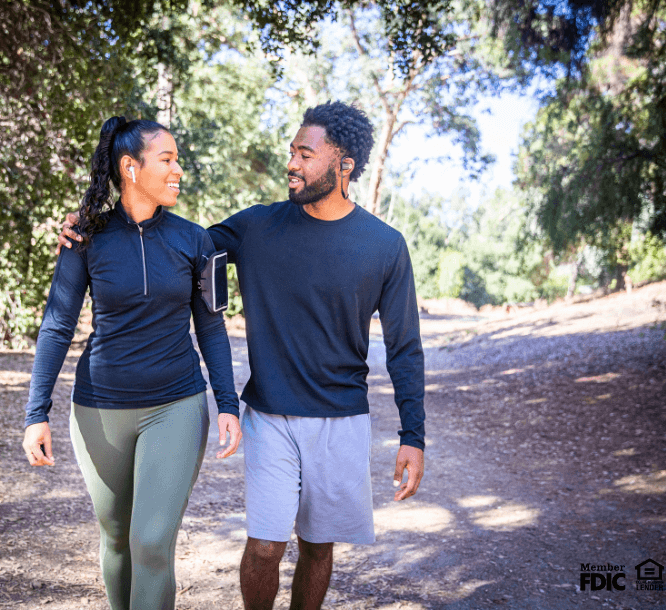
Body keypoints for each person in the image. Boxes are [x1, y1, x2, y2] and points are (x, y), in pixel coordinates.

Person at [58, 101, 425, 610]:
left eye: (305, 153)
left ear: (344, 167)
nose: (292, 163)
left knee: (318, 546)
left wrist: (413, 434)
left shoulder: (385, 246)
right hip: (269, 413)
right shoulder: (254, 227)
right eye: (291, 151)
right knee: (266, 544)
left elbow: (406, 346)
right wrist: (99, 226)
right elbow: (178, 242)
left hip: (343, 418)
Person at [24, 116, 243, 610]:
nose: (178, 170)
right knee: (117, 539)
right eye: (167, 159)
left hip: (176, 405)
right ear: (130, 168)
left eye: (177, 160)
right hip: (99, 412)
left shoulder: (197, 241)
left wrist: (227, 402)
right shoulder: (85, 237)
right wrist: (36, 413)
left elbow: (211, 327)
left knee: (151, 540)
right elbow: (58, 325)